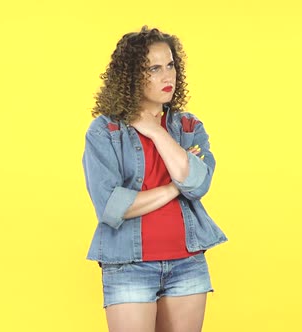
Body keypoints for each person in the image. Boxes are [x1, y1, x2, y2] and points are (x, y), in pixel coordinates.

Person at [82, 26, 227, 332]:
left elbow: (199, 184)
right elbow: (112, 206)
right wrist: (177, 187)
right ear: (132, 76)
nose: (168, 76)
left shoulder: (188, 126)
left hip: (187, 264)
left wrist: (155, 131)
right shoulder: (105, 132)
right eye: (155, 68)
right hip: (128, 266)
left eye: (171, 65)